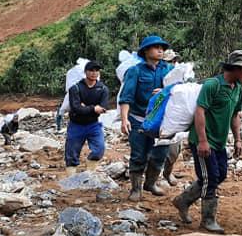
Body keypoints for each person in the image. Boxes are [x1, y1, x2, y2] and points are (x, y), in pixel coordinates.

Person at [172, 50, 242, 233]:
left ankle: (183, 200)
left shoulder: (237, 89)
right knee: (210, 178)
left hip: (219, 142)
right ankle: (208, 220)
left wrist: (238, 140)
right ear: (234, 68)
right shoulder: (212, 85)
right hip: (203, 140)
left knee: (221, 174)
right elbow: (199, 112)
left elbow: (235, 115)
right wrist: (202, 141)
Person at [118, 35, 172, 201]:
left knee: (160, 154)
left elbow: (179, 90)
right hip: (139, 118)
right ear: (146, 51)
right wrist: (124, 119)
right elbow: (126, 97)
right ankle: (136, 189)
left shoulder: (169, 70)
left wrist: (165, 92)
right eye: (156, 47)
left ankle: (151, 183)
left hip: (162, 120)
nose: (160, 50)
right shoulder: (135, 71)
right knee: (139, 154)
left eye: (162, 48)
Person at [64, 61, 110, 174]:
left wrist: (85, 107)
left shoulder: (103, 89)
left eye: (96, 71)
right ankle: (71, 178)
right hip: (76, 124)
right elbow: (75, 108)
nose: (94, 73)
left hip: (93, 124)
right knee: (71, 153)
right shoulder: (75, 88)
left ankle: (90, 173)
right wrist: (94, 109)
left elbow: (103, 108)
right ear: (85, 72)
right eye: (91, 70)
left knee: (99, 149)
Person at [158, 48, 183, 187]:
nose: (172, 64)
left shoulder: (181, 76)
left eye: (174, 61)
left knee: (174, 149)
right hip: (159, 117)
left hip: (175, 117)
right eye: (168, 61)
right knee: (157, 148)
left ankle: (168, 172)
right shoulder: (156, 76)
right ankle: (154, 176)